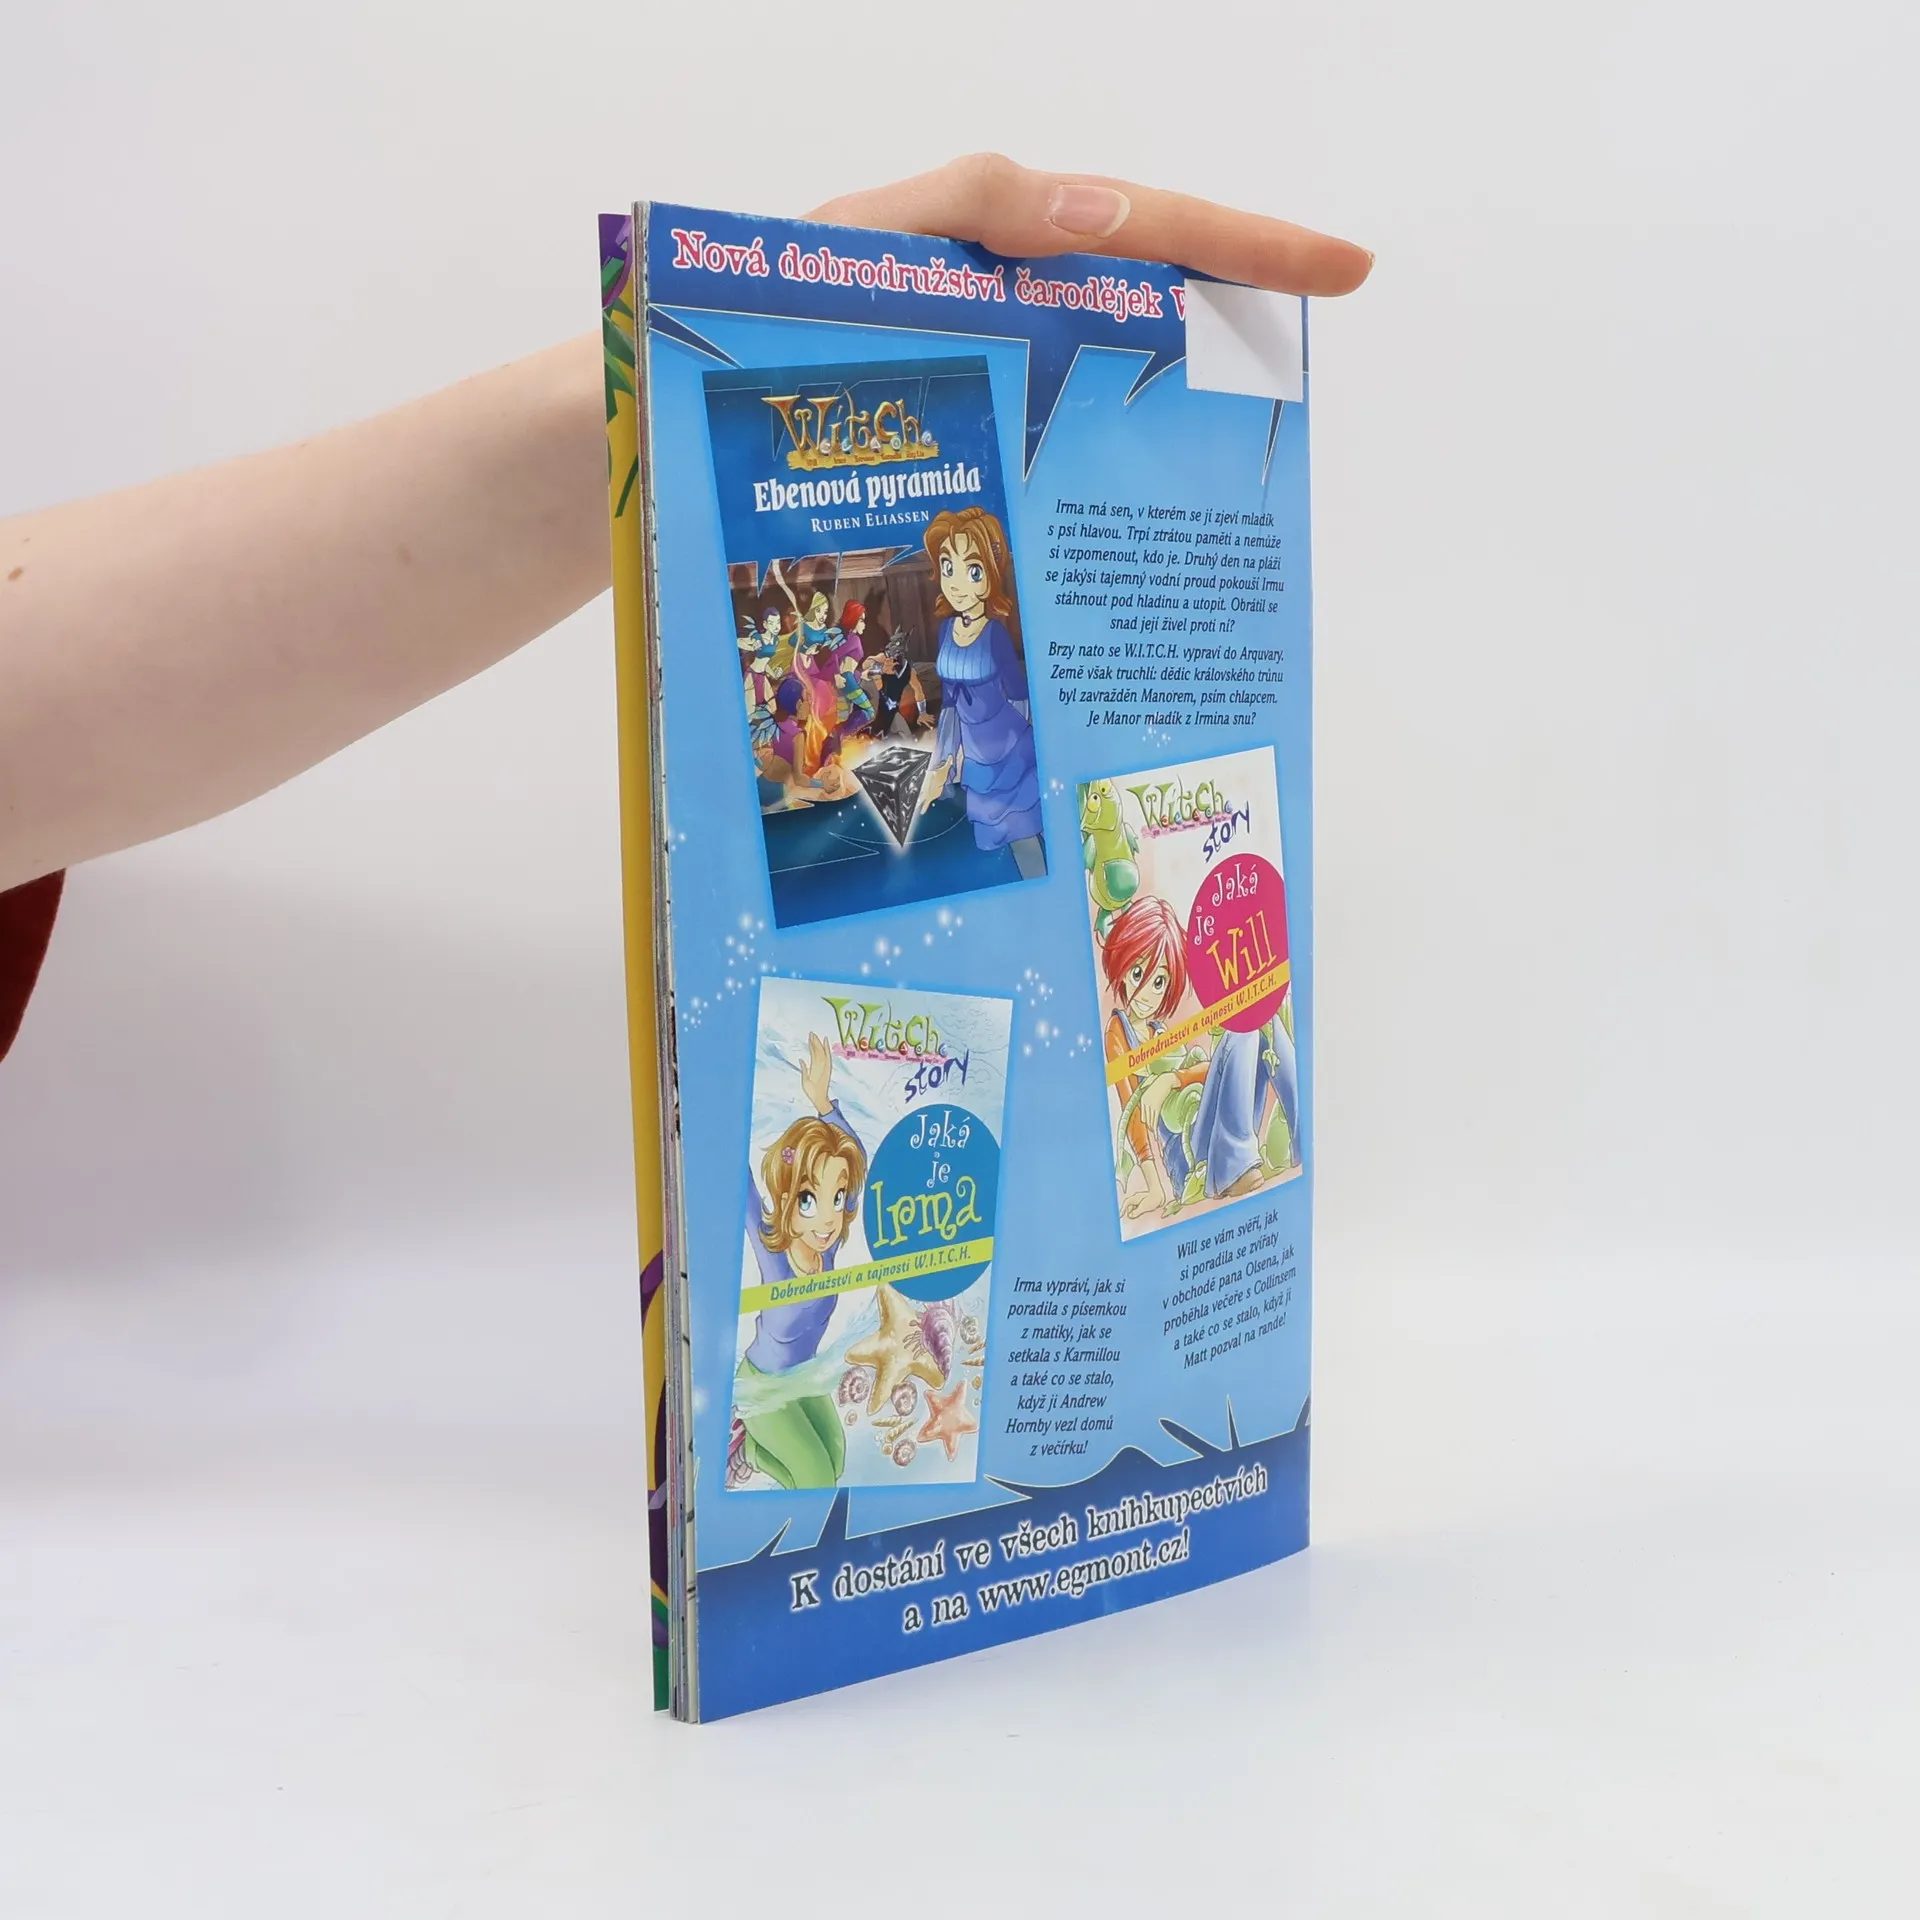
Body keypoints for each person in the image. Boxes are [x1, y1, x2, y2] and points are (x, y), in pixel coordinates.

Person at [0, 156, 1371, 1062]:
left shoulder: (976, 641)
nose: (956, 588)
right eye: (947, 575)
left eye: (965, 575)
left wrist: (713, 349)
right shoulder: (870, 669)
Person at [918, 506, 1045, 878]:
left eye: (972, 570)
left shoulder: (995, 634)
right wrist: (942, 763)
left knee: (1025, 833)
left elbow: (1020, 696)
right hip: (976, 753)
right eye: (948, 567)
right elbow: (950, 704)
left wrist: (1032, 749)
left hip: (1010, 748)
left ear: (991, 573)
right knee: (998, 838)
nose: (957, 584)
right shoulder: (946, 631)